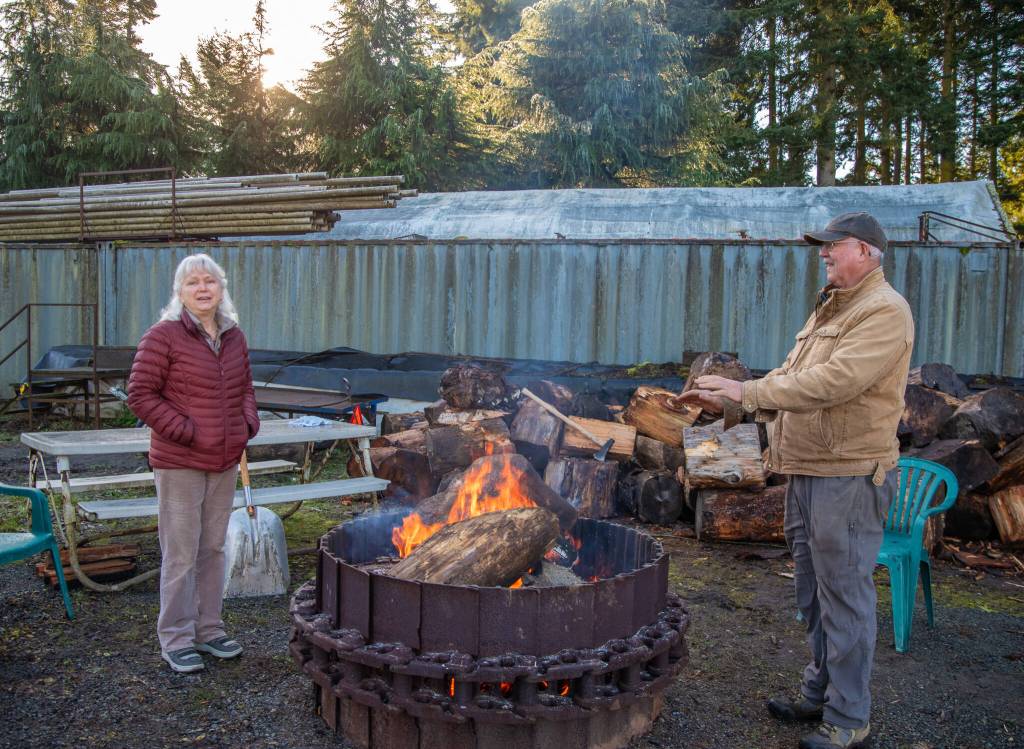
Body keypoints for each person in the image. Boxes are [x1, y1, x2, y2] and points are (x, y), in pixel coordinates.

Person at [676, 212, 913, 749]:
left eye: (834, 247)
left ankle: (850, 720)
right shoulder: (832, 308)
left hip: (848, 477)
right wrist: (724, 400)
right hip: (808, 470)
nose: (824, 254)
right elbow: (789, 377)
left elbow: (835, 382)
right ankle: (820, 690)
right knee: (812, 593)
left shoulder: (884, 311)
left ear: (867, 251)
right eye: (823, 247)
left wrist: (747, 393)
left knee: (845, 597)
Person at [128, 253, 259, 674]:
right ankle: (177, 639)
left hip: (223, 460)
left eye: (210, 281)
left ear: (221, 288)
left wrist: (246, 426)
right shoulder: (162, 336)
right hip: (180, 462)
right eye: (193, 283)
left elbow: (245, 390)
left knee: (213, 548)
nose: (203, 289)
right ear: (180, 293)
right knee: (181, 554)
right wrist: (185, 431)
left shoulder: (234, 336)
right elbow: (140, 395)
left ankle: (209, 629)